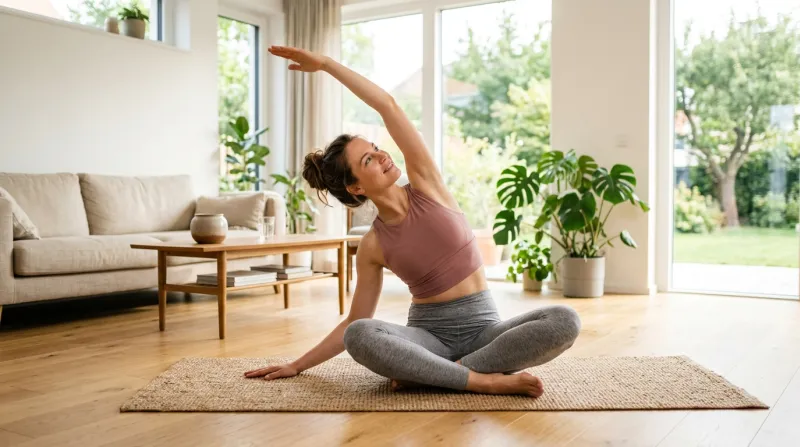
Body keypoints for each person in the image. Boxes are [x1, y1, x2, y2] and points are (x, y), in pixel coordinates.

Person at [244, 45, 581, 397]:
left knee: (564, 320)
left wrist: (327, 65)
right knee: (359, 334)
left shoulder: (427, 184)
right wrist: (297, 365)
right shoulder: (372, 245)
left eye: (375, 148)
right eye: (368, 160)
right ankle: (482, 379)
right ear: (356, 187)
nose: (381, 156)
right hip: (427, 339)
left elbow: (387, 105)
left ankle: (436, 374)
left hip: (485, 332)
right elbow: (354, 321)